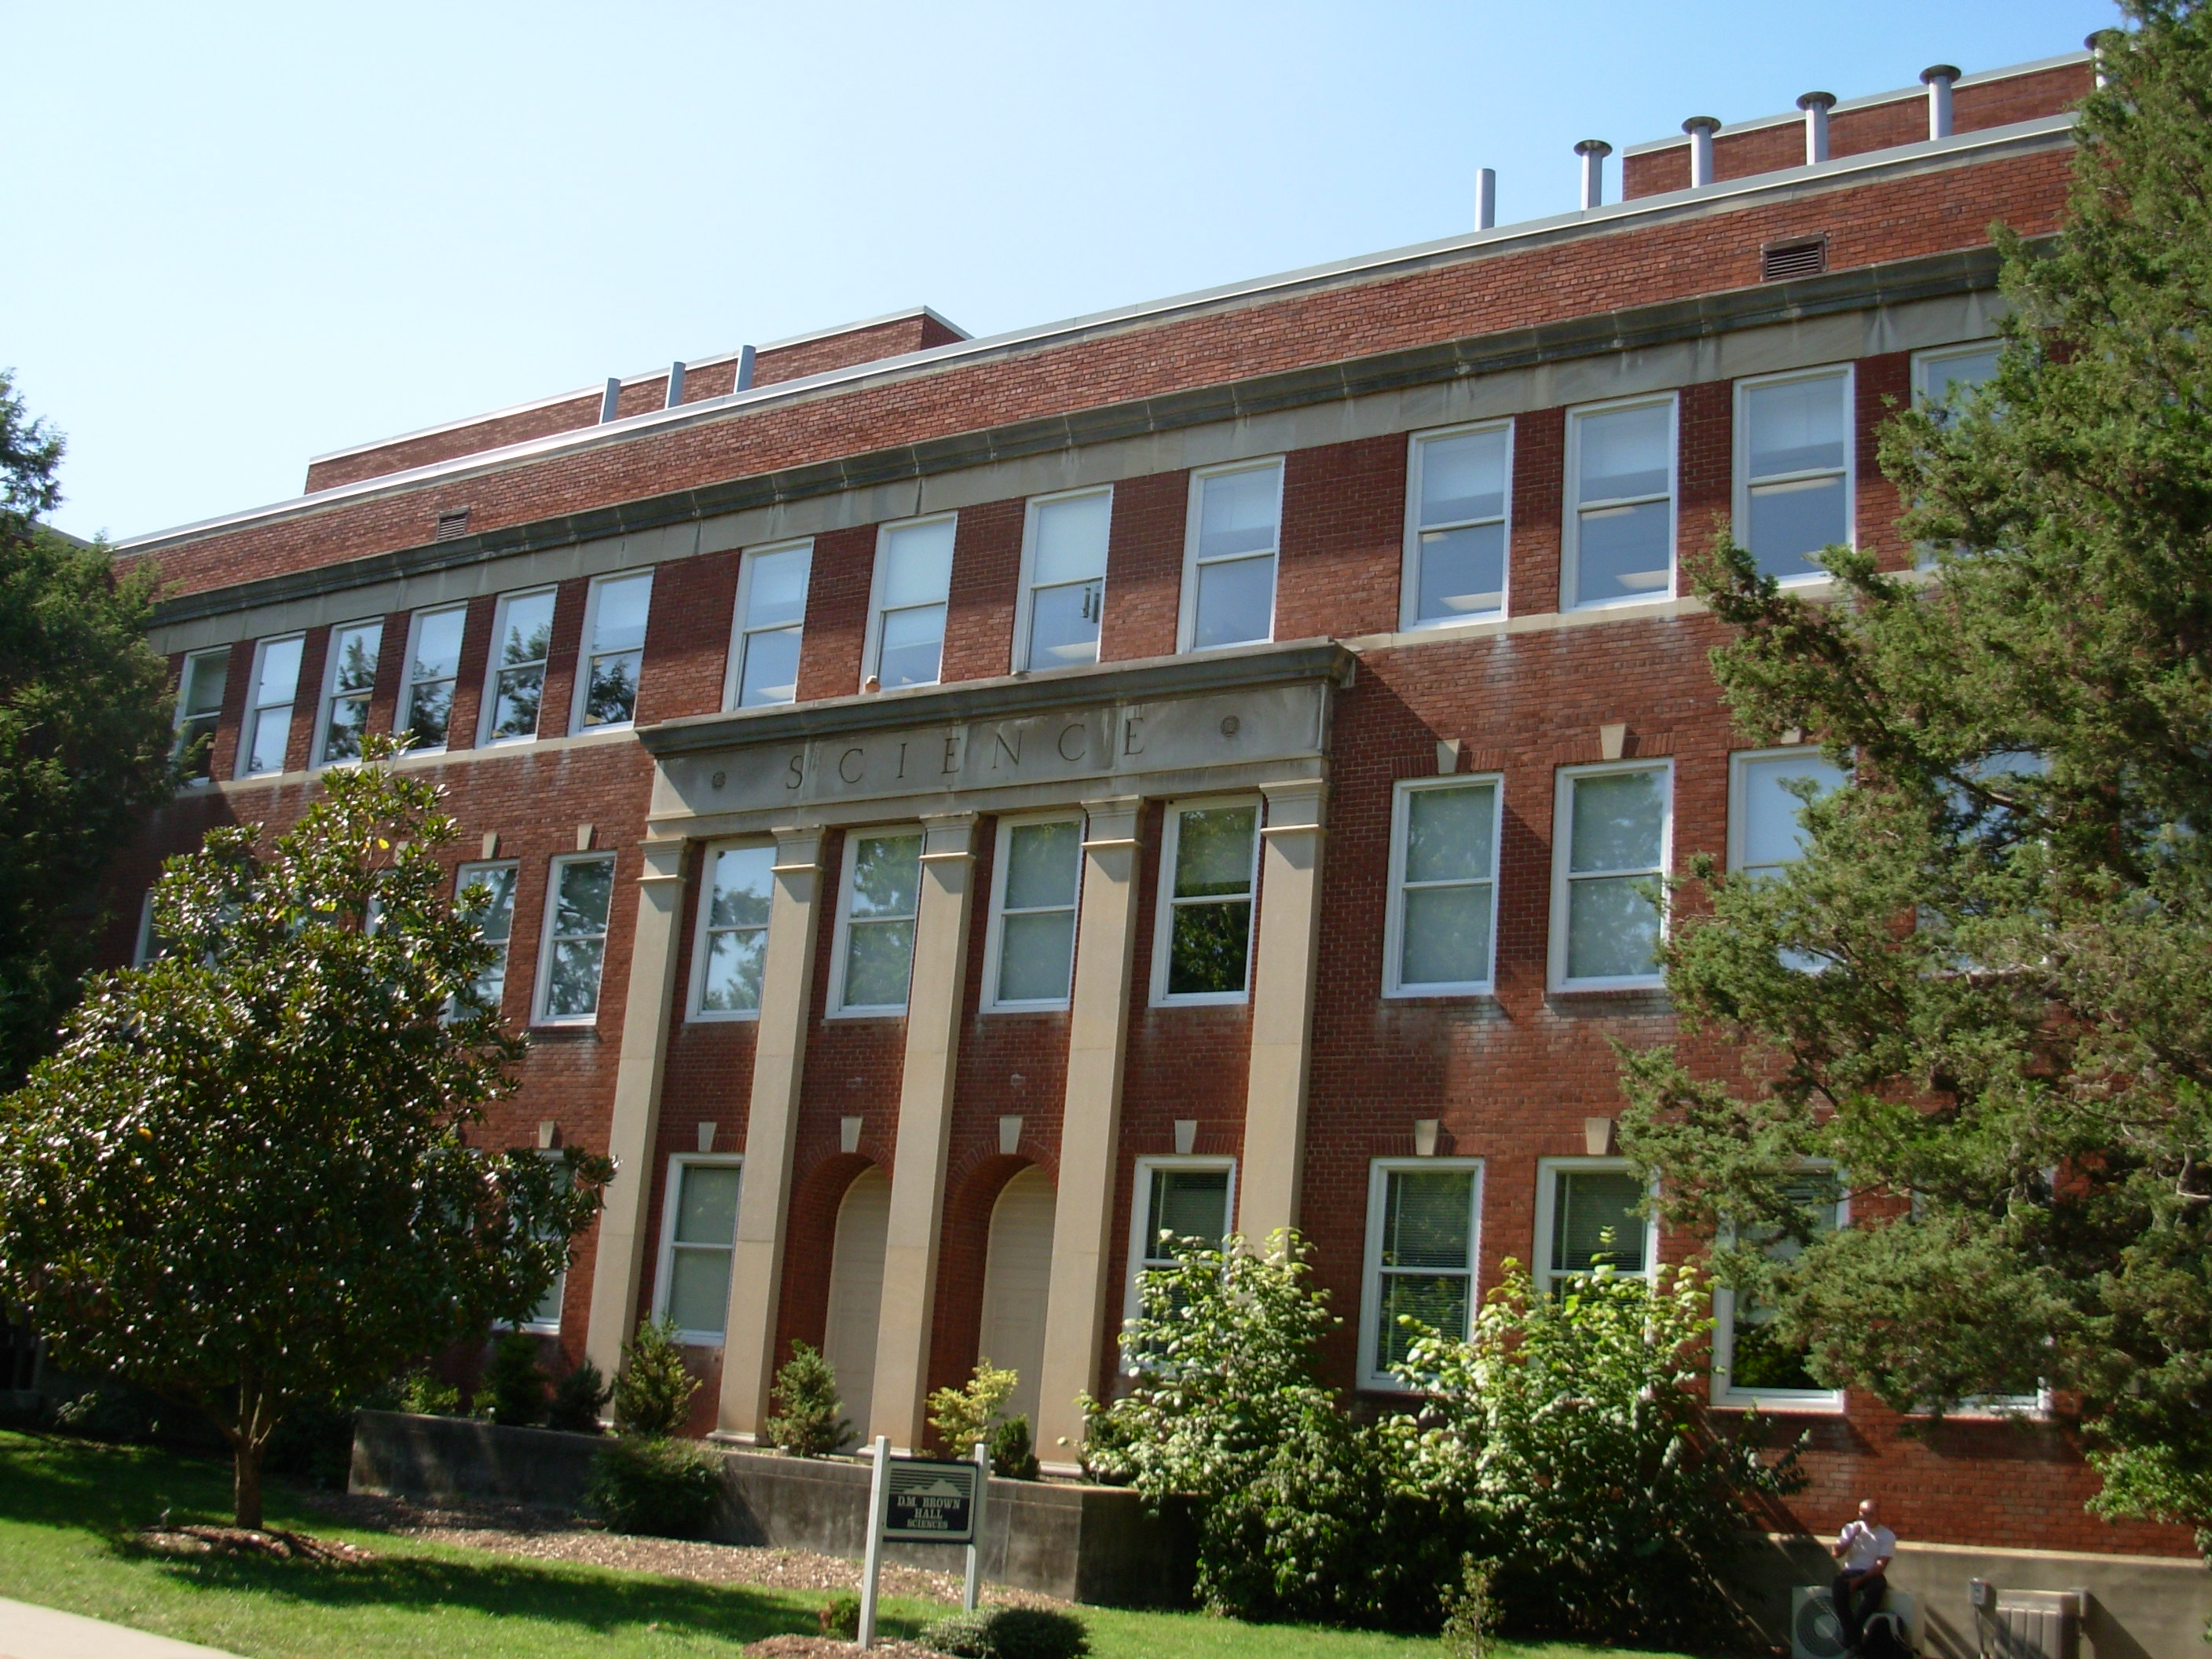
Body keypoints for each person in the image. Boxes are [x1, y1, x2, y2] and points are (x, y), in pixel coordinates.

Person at [1829, 1497, 1897, 1652]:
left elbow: (1881, 1566)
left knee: (1877, 1588)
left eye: (1870, 1514)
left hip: (1870, 1573)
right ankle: (1853, 1636)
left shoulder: (1887, 1535)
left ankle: (1855, 1630)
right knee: (1838, 1588)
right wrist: (1853, 1536)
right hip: (1850, 1570)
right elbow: (1836, 1553)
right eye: (1863, 1514)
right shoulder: (1850, 1528)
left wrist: (1858, 1581)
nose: (1866, 1518)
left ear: (1878, 1515)